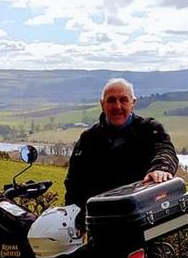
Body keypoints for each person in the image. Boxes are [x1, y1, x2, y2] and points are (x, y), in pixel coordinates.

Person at [64, 77, 178, 217]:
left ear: (133, 103)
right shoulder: (88, 139)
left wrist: (161, 168)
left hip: (144, 217)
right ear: (102, 104)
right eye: (111, 100)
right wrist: (74, 219)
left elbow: (165, 150)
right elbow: (75, 184)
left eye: (123, 100)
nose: (117, 106)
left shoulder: (150, 129)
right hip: (101, 221)